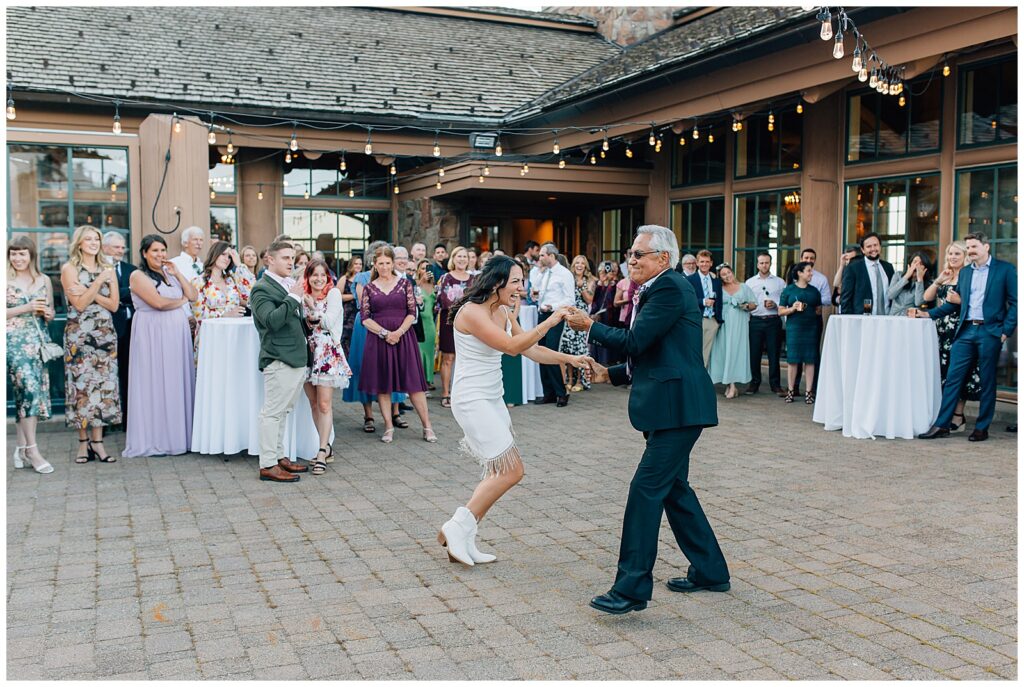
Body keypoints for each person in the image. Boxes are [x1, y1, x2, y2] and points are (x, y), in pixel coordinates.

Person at [564, 225, 727, 615]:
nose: (631, 260)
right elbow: (658, 350)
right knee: (674, 490)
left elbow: (637, 342)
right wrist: (614, 373)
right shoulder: (660, 288)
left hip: (679, 408)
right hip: (670, 405)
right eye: (630, 253)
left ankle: (632, 588)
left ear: (663, 259)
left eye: (639, 254)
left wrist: (590, 326)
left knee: (645, 491)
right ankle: (710, 570)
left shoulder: (670, 287)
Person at [436, 256, 589, 566]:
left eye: (522, 281)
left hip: (493, 398)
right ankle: (456, 527)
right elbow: (512, 347)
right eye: (517, 281)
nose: (522, 287)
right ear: (496, 283)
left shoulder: (503, 310)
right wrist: (551, 320)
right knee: (512, 470)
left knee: (497, 472)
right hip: (471, 400)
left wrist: (570, 359)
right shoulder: (471, 313)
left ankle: (462, 536)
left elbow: (530, 349)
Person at [917, 232, 1017, 442]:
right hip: (965, 332)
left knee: (987, 381)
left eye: (974, 247)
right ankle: (942, 425)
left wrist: (1005, 331)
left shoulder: (1005, 270)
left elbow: (1016, 302)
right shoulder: (965, 273)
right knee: (953, 379)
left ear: (986, 247)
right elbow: (953, 304)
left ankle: (982, 427)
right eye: (969, 248)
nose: (970, 251)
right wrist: (928, 314)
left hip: (990, 332)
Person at [123, 234, 199, 457]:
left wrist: (178, 274)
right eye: (155, 251)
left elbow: (193, 294)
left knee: (175, 381)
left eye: (163, 250)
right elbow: (158, 303)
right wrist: (182, 301)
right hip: (152, 333)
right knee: (155, 382)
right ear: (144, 253)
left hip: (176, 335)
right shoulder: (137, 275)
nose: (160, 255)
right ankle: (156, 438)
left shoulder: (170, 272)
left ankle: (178, 436)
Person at [359, 245, 437, 444]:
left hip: (404, 337)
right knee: (383, 385)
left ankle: (427, 426)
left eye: (387, 263)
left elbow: (412, 312)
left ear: (392, 263)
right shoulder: (368, 288)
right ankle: (388, 426)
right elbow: (365, 318)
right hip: (379, 339)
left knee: (414, 384)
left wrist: (399, 332)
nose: (384, 267)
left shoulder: (404, 284)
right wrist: (385, 333)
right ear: (374, 264)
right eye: (380, 263)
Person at [248, 240, 310, 482]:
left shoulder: (284, 285)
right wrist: (294, 298)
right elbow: (271, 321)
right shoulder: (261, 288)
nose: (290, 262)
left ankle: (280, 456)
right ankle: (268, 464)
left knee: (284, 410)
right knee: (272, 413)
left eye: (291, 257)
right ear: (269, 260)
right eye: (285, 257)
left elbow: (290, 319)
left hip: (295, 356)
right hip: (279, 357)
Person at [61, 225, 121, 464]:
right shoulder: (69, 269)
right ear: (79, 244)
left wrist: (89, 290)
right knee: (82, 389)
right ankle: (83, 444)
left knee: (104, 389)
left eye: (96, 239)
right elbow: (79, 304)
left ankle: (99, 443)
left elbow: (114, 305)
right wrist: (96, 285)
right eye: (88, 239)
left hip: (105, 335)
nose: (94, 243)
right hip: (80, 338)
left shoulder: (108, 268)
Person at [7, 236, 56, 473]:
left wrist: (48, 313)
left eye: (22, 253)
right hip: (12, 342)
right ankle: (32, 450)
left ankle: (20, 447)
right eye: (13, 253)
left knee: (27, 394)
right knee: (28, 390)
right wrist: (26, 308)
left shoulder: (43, 279)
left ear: (31, 255)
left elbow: (52, 310)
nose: (17, 258)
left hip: (38, 342)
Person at [301, 259, 352, 473]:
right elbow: (301, 324)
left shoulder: (333, 295)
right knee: (313, 404)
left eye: (323, 275)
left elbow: (329, 322)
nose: (319, 279)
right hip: (306, 353)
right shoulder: (301, 296)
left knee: (324, 404)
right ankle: (326, 446)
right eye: (314, 275)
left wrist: (312, 309)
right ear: (308, 277)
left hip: (326, 353)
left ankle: (322, 450)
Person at [921, 241, 979, 432]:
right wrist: (938, 280)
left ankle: (958, 416)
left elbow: (975, 303)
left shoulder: (968, 275)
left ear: (965, 256)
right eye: (950, 254)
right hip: (941, 331)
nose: (953, 257)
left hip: (959, 329)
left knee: (959, 374)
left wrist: (960, 301)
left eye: (957, 254)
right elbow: (927, 298)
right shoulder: (946, 276)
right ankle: (943, 413)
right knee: (943, 373)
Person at [344, 241, 401, 433]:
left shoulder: (397, 278)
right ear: (373, 260)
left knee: (392, 366)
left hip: (392, 322)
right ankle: (368, 414)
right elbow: (362, 302)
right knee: (365, 365)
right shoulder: (362, 277)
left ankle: (395, 412)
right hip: (367, 324)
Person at [530, 243, 576, 406]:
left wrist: (553, 307)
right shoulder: (543, 273)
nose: (539, 258)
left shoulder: (564, 274)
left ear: (551, 256)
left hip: (556, 315)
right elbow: (536, 292)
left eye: (542, 255)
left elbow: (571, 299)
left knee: (550, 351)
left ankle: (561, 392)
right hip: (542, 315)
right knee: (540, 351)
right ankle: (548, 392)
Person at [102, 230, 136, 424]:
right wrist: (126, 292)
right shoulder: (97, 268)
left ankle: (126, 419)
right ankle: (105, 421)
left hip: (130, 328)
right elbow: (102, 295)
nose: (121, 251)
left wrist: (118, 294)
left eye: (123, 247)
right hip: (104, 328)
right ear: (105, 248)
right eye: (116, 247)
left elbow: (138, 292)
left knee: (126, 373)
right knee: (106, 374)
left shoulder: (131, 269)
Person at [708, 264, 756, 399]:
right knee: (724, 352)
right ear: (720, 277)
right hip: (724, 324)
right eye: (723, 274)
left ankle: (732, 385)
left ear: (732, 272)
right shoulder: (719, 288)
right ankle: (730, 384)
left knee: (735, 352)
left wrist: (746, 306)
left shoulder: (744, 287)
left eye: (728, 272)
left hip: (739, 324)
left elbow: (753, 304)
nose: (727, 276)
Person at [191, 241, 245, 359]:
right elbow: (199, 315)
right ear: (214, 254)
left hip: (234, 334)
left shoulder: (232, 280)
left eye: (230, 256)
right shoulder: (199, 282)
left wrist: (239, 265)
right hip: (211, 335)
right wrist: (225, 314)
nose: (227, 259)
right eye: (223, 254)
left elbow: (249, 294)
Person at [778, 261, 822, 404]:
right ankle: (791, 391)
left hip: (811, 328)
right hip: (794, 328)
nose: (811, 273)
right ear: (800, 273)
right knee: (793, 360)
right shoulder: (788, 290)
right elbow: (780, 311)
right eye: (808, 271)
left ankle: (809, 392)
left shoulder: (814, 291)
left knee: (810, 360)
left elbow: (818, 309)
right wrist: (792, 309)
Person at [435, 246, 473, 408]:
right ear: (453, 258)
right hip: (449, 321)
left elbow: (478, 299)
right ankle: (445, 393)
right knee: (448, 358)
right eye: (459, 256)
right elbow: (443, 300)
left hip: (470, 322)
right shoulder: (446, 278)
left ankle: (463, 393)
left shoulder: (474, 279)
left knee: (466, 359)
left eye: (465, 256)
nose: (462, 259)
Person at [744, 251, 786, 395]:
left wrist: (775, 304)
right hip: (755, 321)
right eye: (761, 262)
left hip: (773, 321)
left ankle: (775, 385)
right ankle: (754, 383)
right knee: (754, 354)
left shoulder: (780, 282)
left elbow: (785, 302)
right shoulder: (749, 282)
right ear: (757, 264)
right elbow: (746, 302)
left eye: (767, 262)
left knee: (774, 354)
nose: (764, 265)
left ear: (770, 263)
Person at [561, 255, 596, 392]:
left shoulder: (590, 280)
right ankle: (570, 379)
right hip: (569, 316)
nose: (579, 265)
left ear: (585, 266)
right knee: (568, 348)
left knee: (579, 349)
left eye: (582, 263)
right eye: (577, 263)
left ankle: (581, 381)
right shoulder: (568, 278)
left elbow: (589, 300)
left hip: (582, 318)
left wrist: (582, 288)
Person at [840, 232, 895, 315]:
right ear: (863, 250)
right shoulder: (853, 268)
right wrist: (848, 321)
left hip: (887, 319)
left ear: (880, 247)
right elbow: (845, 299)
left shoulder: (888, 267)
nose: (873, 249)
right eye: (869, 246)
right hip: (862, 321)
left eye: (875, 245)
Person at [686, 250, 724, 368]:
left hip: (711, 321)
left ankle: (700, 381)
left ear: (711, 263)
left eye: (707, 262)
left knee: (706, 354)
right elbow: (687, 301)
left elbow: (720, 302)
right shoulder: (690, 280)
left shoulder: (716, 282)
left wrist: (717, 321)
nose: (704, 264)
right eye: (702, 261)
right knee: (693, 352)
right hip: (696, 320)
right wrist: (702, 301)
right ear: (697, 263)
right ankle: (691, 381)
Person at [170, 226, 205, 336]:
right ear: (185, 243)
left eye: (201, 240)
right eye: (195, 239)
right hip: (182, 319)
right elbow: (173, 293)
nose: (199, 243)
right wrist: (187, 316)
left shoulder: (203, 266)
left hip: (203, 320)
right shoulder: (174, 264)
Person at [589, 260, 623, 366]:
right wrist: (601, 283)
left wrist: (611, 284)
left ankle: (610, 363)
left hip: (611, 317)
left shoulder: (617, 283)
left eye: (612, 270)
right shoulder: (598, 284)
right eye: (605, 270)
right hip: (599, 316)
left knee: (609, 339)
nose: (608, 272)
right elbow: (594, 300)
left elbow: (612, 301)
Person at [415, 259, 438, 391]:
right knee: (419, 351)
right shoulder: (417, 285)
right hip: (419, 322)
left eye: (428, 268)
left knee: (429, 352)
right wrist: (422, 281)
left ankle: (429, 380)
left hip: (430, 323)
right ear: (418, 270)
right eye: (423, 268)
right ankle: (420, 380)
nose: (425, 271)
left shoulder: (435, 285)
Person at [886, 252, 928, 317]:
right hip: (894, 317)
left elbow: (918, 303)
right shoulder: (898, 275)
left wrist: (920, 280)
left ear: (925, 268)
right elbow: (890, 295)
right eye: (915, 262)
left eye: (921, 263)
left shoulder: (926, 283)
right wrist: (907, 276)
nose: (917, 265)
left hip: (911, 319)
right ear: (910, 264)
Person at [338, 255, 362, 356]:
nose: (358, 266)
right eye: (356, 263)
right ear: (351, 265)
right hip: (347, 315)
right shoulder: (345, 278)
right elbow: (337, 296)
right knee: (346, 339)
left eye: (360, 264)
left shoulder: (364, 279)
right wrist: (354, 296)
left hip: (360, 313)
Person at [831, 247, 860, 312]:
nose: (849, 262)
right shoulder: (845, 270)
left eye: (852, 259)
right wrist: (842, 265)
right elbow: (836, 284)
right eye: (847, 259)